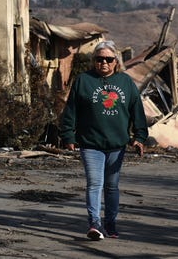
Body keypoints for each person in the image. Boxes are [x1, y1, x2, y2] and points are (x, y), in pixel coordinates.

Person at [59, 39, 148, 241]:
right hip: (90, 144)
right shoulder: (83, 80)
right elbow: (71, 110)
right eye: (99, 59)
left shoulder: (125, 83)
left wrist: (140, 137)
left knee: (112, 186)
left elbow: (137, 112)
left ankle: (110, 223)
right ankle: (94, 224)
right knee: (94, 184)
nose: (104, 63)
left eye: (108, 59)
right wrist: (68, 135)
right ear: (94, 61)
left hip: (117, 145)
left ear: (115, 61)